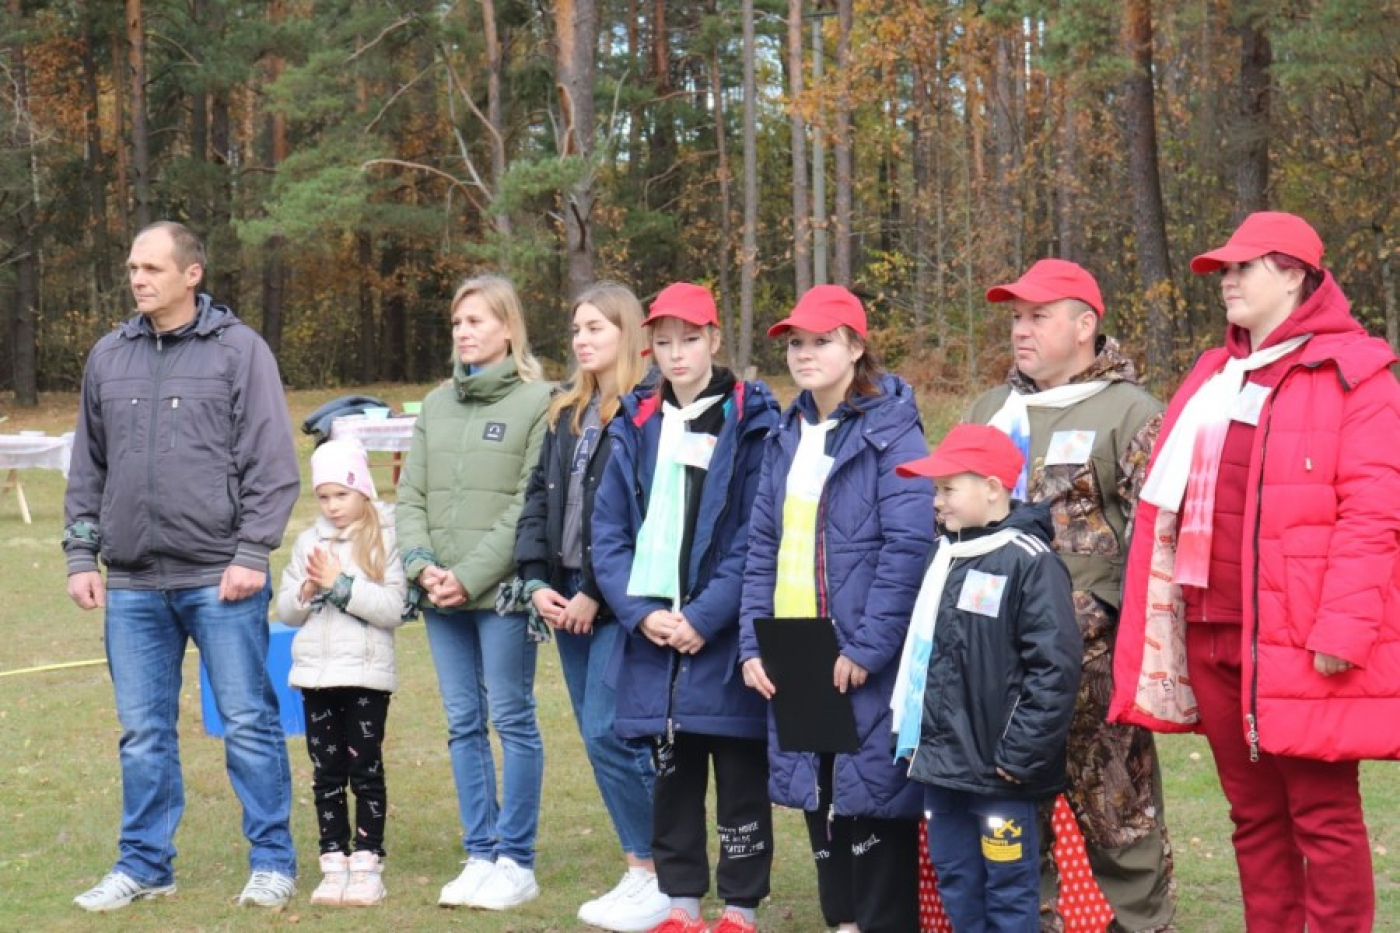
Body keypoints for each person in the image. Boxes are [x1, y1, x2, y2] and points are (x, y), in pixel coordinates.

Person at [1110, 211, 1400, 931]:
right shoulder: (1214, 373)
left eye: (1244, 267)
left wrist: (1343, 628)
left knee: (1323, 816)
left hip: (1301, 639)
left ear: (1296, 272)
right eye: (1222, 270)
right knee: (1254, 815)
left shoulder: (1358, 374)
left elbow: (1375, 514)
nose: (1227, 281)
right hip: (1212, 631)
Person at [63, 220, 302, 911]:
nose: (138, 278)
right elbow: (87, 468)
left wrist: (253, 551)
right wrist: (83, 552)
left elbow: (271, 461)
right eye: (133, 267)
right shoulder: (108, 355)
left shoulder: (239, 351)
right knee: (143, 733)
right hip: (134, 581)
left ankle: (272, 861)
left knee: (249, 722)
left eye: (152, 268)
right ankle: (144, 864)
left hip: (220, 576)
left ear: (191, 273)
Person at [967, 258, 1175, 932]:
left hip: (1092, 663)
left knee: (1119, 817)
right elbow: (947, 515)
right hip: (993, 657)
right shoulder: (991, 410)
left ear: (1085, 325)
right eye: (1016, 317)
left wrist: (1101, 616)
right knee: (1009, 816)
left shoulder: (1130, 411)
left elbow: (1155, 538)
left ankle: (1140, 922)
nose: (1020, 330)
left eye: (1037, 315)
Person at [739, 285, 933, 933]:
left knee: (871, 797)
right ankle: (842, 922)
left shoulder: (894, 429)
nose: (805, 353)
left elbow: (909, 547)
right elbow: (761, 546)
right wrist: (750, 644)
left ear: (855, 345)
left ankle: (880, 921)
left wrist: (868, 648)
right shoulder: (785, 433)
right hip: (794, 647)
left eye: (822, 340)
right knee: (818, 795)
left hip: (860, 650)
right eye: (796, 341)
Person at [591, 282, 780, 933]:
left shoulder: (753, 420)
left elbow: (759, 534)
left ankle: (740, 904)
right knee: (672, 776)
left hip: (721, 635)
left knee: (737, 773)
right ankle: (679, 903)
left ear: (715, 339)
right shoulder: (635, 421)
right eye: (664, 342)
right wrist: (641, 613)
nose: (676, 355)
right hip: (653, 637)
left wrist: (706, 616)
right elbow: (608, 533)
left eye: (690, 339)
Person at [514, 282, 670, 931]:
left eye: (596, 328)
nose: (582, 339)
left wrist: (597, 595)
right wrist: (533, 578)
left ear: (630, 334)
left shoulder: (649, 414)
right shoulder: (564, 413)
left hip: (620, 600)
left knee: (615, 730)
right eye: (576, 328)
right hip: (564, 596)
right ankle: (647, 866)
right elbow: (537, 504)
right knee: (594, 734)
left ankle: (658, 870)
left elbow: (645, 518)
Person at [396, 274, 554, 911]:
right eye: (457, 322)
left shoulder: (542, 401)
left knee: (511, 719)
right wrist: (422, 565)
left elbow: (528, 503)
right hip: (440, 594)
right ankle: (480, 852)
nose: (463, 332)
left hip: (502, 594)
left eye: (477, 321)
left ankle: (517, 860)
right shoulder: (435, 404)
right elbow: (412, 495)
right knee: (462, 723)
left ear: (508, 329)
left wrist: (472, 575)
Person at [891, 423, 1082, 932]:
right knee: (956, 878)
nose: (937, 501)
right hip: (942, 771)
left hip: (1000, 774)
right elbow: (926, 662)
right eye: (936, 490)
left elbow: (1055, 670)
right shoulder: (944, 556)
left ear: (992, 488)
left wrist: (1018, 755)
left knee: (1009, 888)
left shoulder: (1029, 562)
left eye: (948, 488)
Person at [276, 439, 408, 907]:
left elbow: (394, 607)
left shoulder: (384, 538)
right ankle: (333, 861)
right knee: (325, 772)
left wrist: (342, 586)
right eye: (324, 497)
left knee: (364, 770)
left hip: (366, 678)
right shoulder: (308, 541)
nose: (332, 507)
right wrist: (308, 590)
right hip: (315, 677)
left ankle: (368, 861)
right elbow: (286, 610)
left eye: (342, 495)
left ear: (363, 492)